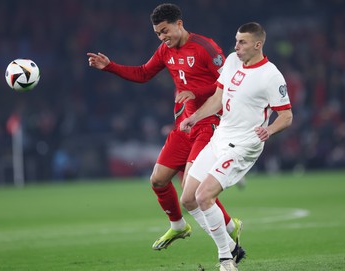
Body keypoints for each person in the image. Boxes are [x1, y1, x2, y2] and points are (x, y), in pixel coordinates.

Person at [87, 3, 244, 259]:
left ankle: (228, 245)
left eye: (165, 31)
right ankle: (179, 226)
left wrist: (197, 92)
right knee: (158, 180)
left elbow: (228, 85)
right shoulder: (165, 51)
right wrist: (111, 66)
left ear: (179, 23)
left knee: (191, 193)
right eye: (158, 34)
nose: (163, 37)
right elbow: (143, 73)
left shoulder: (206, 48)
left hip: (208, 124)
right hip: (183, 126)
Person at [180, 22, 293, 270]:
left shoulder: (271, 75)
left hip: (244, 144)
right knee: (188, 199)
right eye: (236, 40)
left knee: (204, 196)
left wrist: (270, 129)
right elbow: (218, 98)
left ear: (257, 44)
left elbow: (286, 116)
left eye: (242, 42)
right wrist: (194, 117)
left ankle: (226, 259)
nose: (236, 46)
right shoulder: (232, 61)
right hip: (220, 136)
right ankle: (231, 246)